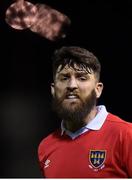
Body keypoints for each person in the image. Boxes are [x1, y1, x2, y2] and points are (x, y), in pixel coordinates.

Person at [38, 46, 132, 178]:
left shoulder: (126, 135)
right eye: (64, 78)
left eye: (82, 78)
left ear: (98, 89)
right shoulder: (45, 147)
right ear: (53, 90)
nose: (72, 85)